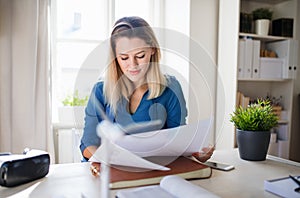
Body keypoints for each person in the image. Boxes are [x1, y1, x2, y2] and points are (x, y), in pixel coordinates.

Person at [79, 16, 214, 175]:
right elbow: (87, 146)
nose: (133, 65)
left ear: (152, 50)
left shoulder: (170, 88)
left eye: (140, 55)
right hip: (108, 174)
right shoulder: (100, 91)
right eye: (124, 58)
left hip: (153, 173)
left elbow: (177, 141)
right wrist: (114, 159)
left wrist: (195, 152)